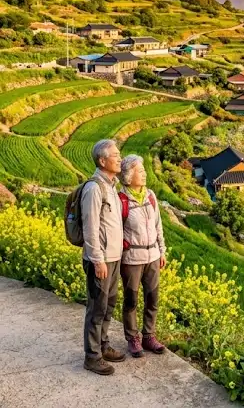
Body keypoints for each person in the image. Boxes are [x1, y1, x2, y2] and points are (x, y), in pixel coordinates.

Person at [82, 139, 126, 375]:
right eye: (115, 155)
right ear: (102, 160)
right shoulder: (94, 188)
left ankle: (103, 345)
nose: (120, 159)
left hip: (114, 257)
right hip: (101, 260)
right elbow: (90, 228)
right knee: (97, 308)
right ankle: (92, 356)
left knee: (108, 305)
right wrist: (97, 260)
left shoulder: (111, 187)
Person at [118, 154, 167, 358]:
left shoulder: (150, 196)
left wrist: (162, 250)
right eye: (140, 171)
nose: (145, 174)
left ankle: (149, 336)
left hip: (152, 256)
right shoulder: (120, 200)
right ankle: (132, 338)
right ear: (129, 176)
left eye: (144, 170)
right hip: (132, 258)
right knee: (131, 300)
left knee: (152, 297)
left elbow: (158, 225)